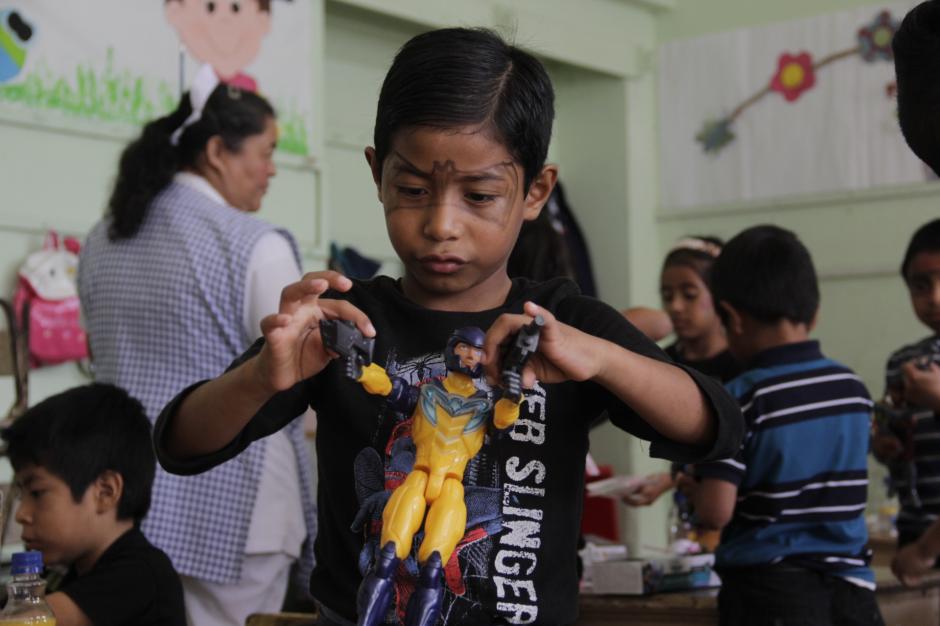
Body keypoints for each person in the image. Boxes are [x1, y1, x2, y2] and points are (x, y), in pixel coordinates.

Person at [150, 27, 744, 626]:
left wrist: (605, 360)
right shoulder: (345, 321)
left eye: (479, 196)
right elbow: (181, 443)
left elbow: (713, 425)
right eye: (412, 189)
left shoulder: (562, 325)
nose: (441, 224)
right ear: (377, 174)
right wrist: (261, 376)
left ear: (535, 191)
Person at [77, 66, 315, 626]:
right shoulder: (253, 245)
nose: (271, 169)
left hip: (122, 501)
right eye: (266, 151)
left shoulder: (102, 237)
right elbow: (292, 381)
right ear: (216, 151)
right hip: (238, 505)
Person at [680, 225, 883, 626]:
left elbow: (716, 511)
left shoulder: (738, 398)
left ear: (731, 318)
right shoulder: (852, 389)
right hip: (854, 589)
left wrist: (693, 487)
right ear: (814, 309)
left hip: (768, 594)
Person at [3, 383, 185, 626]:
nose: (22, 514)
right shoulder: (66, 569)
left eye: (36, 493)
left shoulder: (140, 576)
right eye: (20, 495)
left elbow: (25, 621)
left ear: (105, 491)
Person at [624, 236, 740, 509]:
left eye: (689, 295)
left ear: (720, 296)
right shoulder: (664, 362)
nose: (675, 306)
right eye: (667, 296)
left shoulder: (741, 365)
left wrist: (672, 480)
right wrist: (671, 479)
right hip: (690, 512)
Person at [872, 219, 940, 559]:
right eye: (921, 286)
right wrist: (883, 445)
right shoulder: (903, 361)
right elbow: (892, 435)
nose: (935, 298)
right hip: (914, 527)